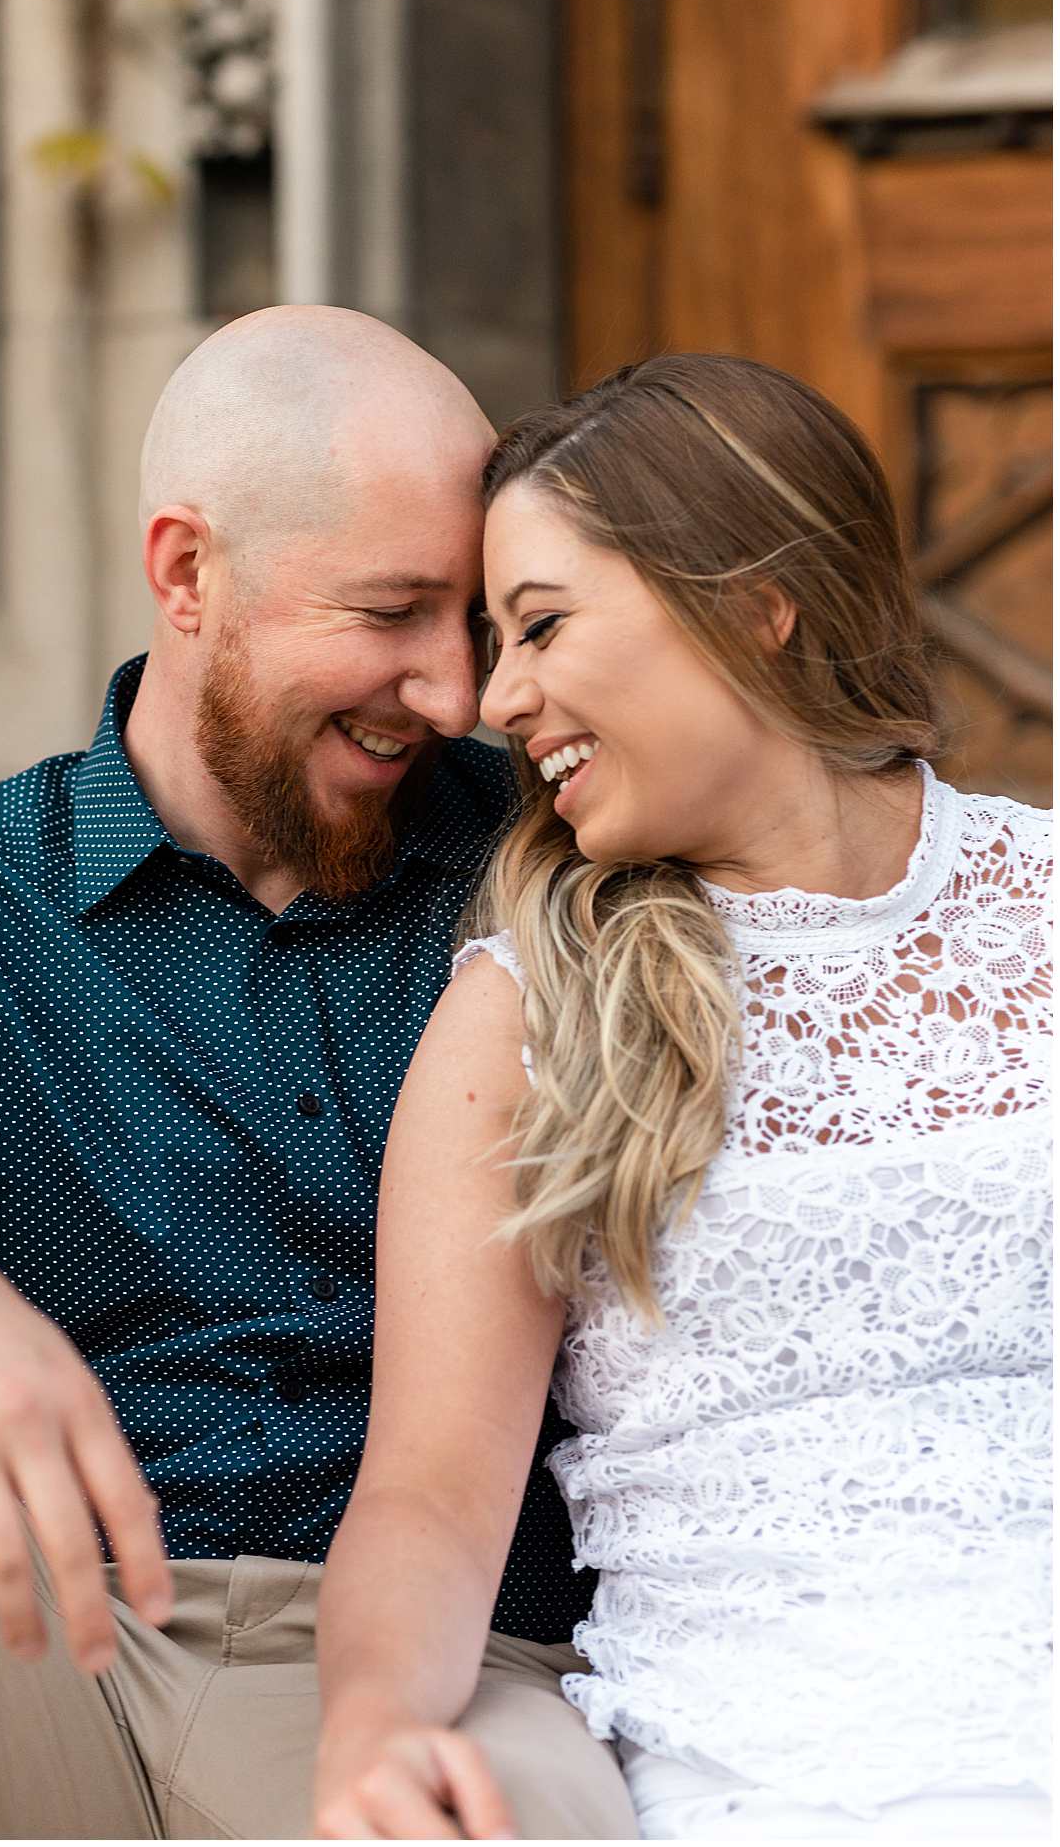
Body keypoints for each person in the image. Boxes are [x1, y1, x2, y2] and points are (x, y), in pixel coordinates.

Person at [0, 307, 637, 1840]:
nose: (453, 695)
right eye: (390, 613)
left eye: (472, 623)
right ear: (187, 572)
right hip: (28, 1663)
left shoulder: (560, 871)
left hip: (456, 1666)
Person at [313, 354, 1052, 1840]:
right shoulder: (526, 1007)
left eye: (539, 626)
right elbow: (429, 1496)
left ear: (754, 601)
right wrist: (375, 1726)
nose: (498, 699)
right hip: (776, 1755)